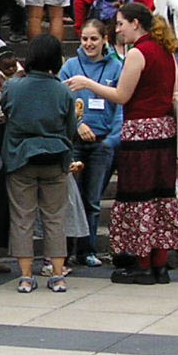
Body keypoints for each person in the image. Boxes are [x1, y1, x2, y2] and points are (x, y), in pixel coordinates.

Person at [69, 2, 178, 284]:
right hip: (165, 130)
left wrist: (88, 83)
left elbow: (122, 95)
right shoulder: (166, 50)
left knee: (138, 196)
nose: (117, 30)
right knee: (161, 197)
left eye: (120, 24)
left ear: (135, 23)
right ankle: (160, 263)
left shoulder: (138, 53)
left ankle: (142, 264)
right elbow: (175, 91)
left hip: (140, 131)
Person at [3, 34, 80, 293]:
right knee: (55, 218)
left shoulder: (13, 87)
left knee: (22, 218)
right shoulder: (63, 90)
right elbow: (71, 128)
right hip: (55, 158)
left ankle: (26, 276)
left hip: (20, 157)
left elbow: (4, 112)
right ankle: (58, 275)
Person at [61, 19, 123, 267]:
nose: (88, 43)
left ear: (105, 39)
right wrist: (77, 125)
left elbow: (121, 105)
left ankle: (87, 250)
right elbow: (63, 102)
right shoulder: (70, 66)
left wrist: (112, 139)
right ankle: (64, 251)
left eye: (94, 39)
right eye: (85, 39)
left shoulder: (116, 67)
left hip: (102, 143)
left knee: (93, 200)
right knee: (69, 197)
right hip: (75, 141)